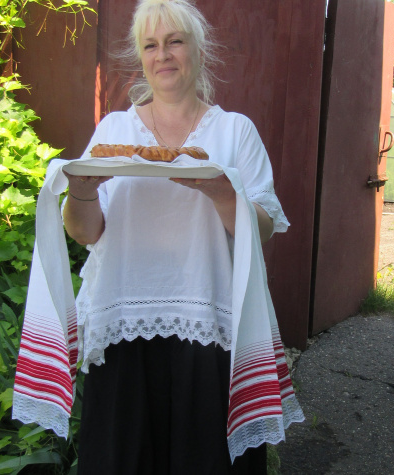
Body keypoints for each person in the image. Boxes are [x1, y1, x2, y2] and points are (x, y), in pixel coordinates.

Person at [61, 0, 300, 472]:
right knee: (123, 460)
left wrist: (223, 193)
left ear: (198, 49)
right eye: (151, 45)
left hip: (208, 319)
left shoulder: (234, 132)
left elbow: (263, 230)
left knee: (206, 460)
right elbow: (85, 232)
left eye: (175, 41)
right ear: (140, 56)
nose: (163, 55)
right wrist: (81, 192)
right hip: (124, 320)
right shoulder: (115, 130)